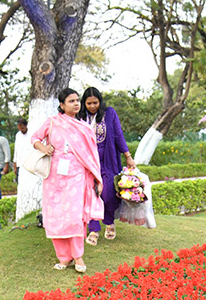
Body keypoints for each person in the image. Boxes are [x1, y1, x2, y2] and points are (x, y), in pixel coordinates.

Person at [32, 87, 102, 273]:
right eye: (71, 101)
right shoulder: (52, 122)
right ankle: (63, 258)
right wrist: (43, 148)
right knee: (56, 216)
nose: (76, 103)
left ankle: (78, 257)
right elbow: (35, 138)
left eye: (77, 100)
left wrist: (97, 179)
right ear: (62, 105)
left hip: (77, 177)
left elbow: (92, 156)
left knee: (74, 217)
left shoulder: (85, 128)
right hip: (54, 178)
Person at [77, 87, 132, 245]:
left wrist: (127, 156)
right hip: (87, 162)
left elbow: (118, 134)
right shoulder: (80, 117)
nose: (92, 106)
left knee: (108, 194)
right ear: (84, 103)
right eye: (89, 103)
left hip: (107, 159)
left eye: (95, 102)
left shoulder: (109, 113)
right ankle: (94, 229)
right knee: (91, 194)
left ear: (100, 102)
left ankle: (109, 222)